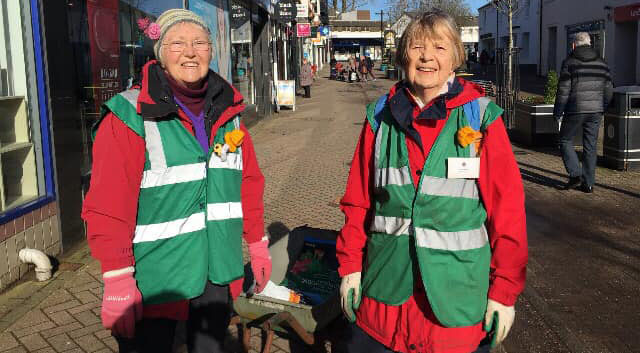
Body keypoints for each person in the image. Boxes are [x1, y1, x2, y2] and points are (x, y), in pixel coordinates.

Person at [337, 10, 528, 353]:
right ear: (403, 55)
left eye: (440, 47)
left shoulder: (481, 119)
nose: (427, 57)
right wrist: (350, 266)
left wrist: (504, 292)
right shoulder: (379, 118)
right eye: (417, 47)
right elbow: (358, 201)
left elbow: (508, 211)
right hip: (386, 300)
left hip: (454, 307)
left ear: (455, 56)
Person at [82, 9, 271, 353]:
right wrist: (116, 276)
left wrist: (257, 242)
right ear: (159, 54)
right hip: (156, 280)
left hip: (216, 275)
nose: (190, 52)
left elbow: (249, 183)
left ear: (211, 51)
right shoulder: (128, 116)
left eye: (199, 42)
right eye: (177, 43)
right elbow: (107, 205)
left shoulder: (230, 113)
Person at [554, 32, 613, 193]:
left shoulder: (570, 62)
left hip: (575, 108)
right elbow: (608, 89)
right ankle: (588, 184)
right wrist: (603, 107)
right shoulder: (602, 63)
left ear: (574, 45)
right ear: (589, 44)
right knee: (591, 146)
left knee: (564, 140)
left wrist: (558, 111)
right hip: (596, 110)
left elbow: (564, 90)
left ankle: (575, 174)